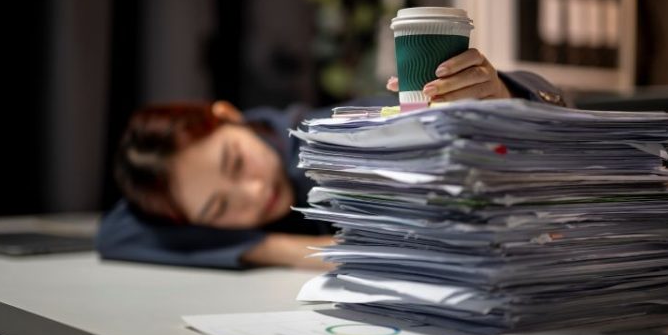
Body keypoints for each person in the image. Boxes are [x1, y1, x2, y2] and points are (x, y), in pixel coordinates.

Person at [96, 49, 566, 269]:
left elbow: (556, 115)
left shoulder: (327, 132)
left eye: (237, 163)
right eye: (219, 209)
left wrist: (500, 94)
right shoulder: (204, 206)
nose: (255, 194)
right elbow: (115, 231)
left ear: (228, 116)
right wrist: (279, 249)